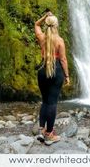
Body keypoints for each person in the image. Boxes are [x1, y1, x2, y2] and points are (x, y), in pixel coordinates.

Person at [34, 11, 70, 145]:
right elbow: (63, 59)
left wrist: (44, 17)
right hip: (56, 71)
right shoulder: (59, 41)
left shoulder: (41, 37)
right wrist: (66, 76)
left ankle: (41, 130)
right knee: (52, 102)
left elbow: (36, 24)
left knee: (45, 101)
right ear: (56, 26)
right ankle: (49, 134)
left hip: (43, 70)